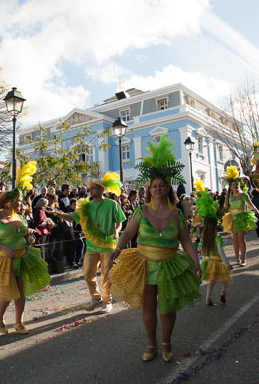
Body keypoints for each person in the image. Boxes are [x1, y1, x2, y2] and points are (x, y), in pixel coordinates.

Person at [109, 134, 201, 362]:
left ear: (167, 188)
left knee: (168, 308)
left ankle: (167, 343)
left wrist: (196, 261)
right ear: (148, 189)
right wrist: (117, 249)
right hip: (145, 263)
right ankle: (151, 345)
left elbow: (186, 240)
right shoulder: (141, 211)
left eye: (161, 186)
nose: (157, 189)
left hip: (170, 264)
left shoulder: (177, 213)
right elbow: (128, 233)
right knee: (148, 307)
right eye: (153, 186)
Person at [0, 161, 50, 334]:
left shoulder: (21, 217)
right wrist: (4, 249)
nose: (22, 203)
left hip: (22, 257)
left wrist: (30, 239)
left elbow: (25, 235)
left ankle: (19, 322)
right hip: (4, 260)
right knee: (7, 293)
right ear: (9, 202)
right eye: (19, 200)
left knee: (21, 291)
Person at [55, 172, 126, 313]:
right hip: (92, 246)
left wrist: (116, 231)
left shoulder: (111, 204)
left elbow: (120, 222)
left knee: (107, 274)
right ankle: (96, 298)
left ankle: (108, 300)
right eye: (90, 188)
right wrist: (56, 213)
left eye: (93, 188)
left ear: (101, 190)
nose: (90, 191)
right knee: (87, 272)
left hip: (108, 244)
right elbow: (71, 217)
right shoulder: (86, 206)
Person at [196, 191, 233, 306]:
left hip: (210, 261)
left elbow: (202, 251)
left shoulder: (204, 238)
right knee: (224, 278)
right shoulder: (217, 238)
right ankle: (222, 292)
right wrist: (227, 263)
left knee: (211, 282)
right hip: (218, 262)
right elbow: (221, 252)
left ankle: (208, 298)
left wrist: (205, 259)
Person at [222, 167, 259, 266]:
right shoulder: (229, 197)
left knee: (241, 239)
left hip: (241, 218)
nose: (235, 186)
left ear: (239, 185)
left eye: (236, 184)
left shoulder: (244, 195)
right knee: (235, 240)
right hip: (233, 218)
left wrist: (256, 210)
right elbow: (226, 207)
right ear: (230, 186)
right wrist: (226, 196)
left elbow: (251, 204)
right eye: (233, 185)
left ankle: (243, 258)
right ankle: (237, 258)